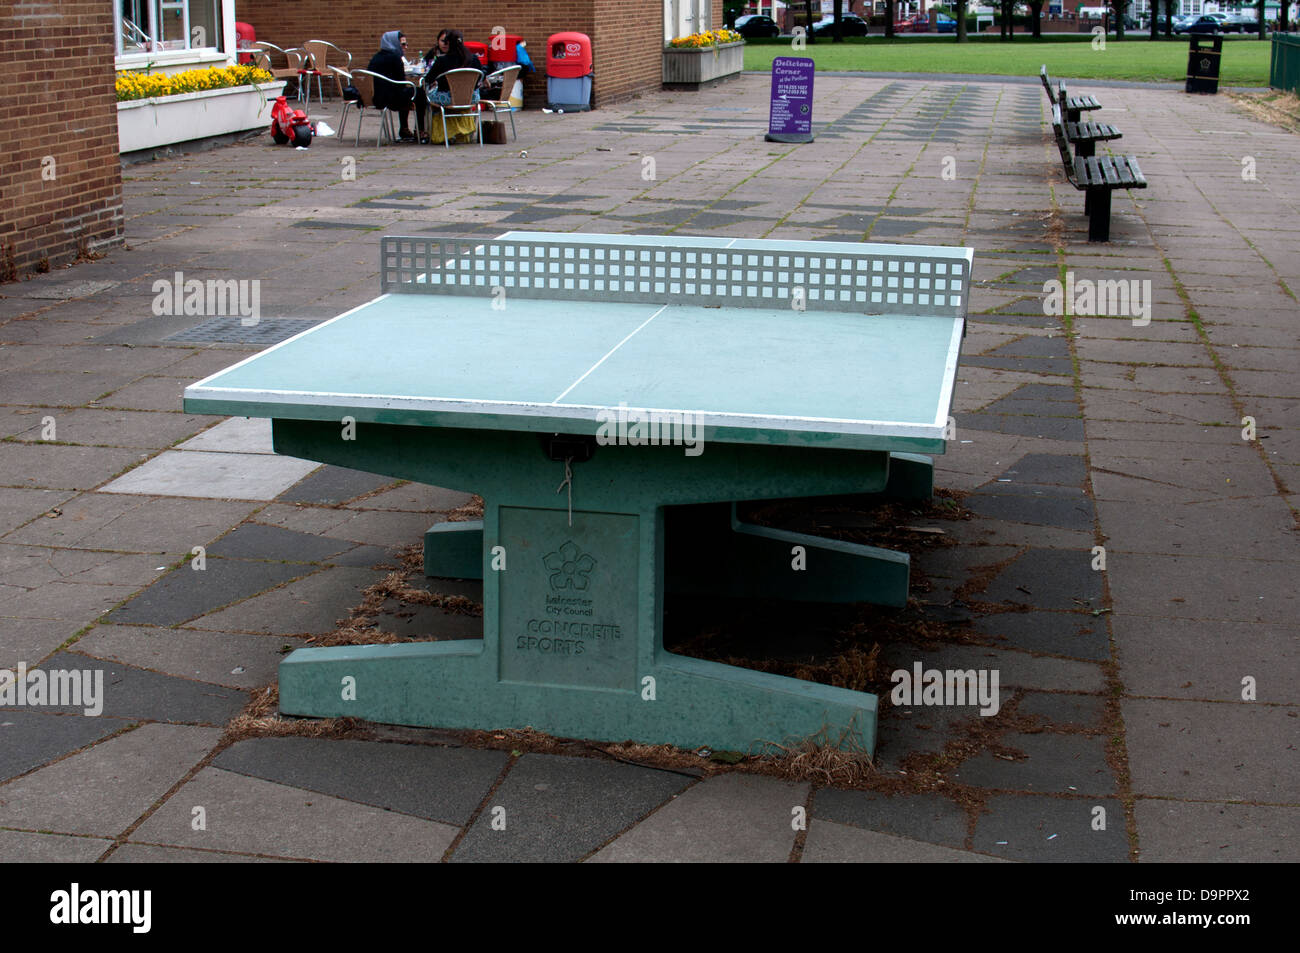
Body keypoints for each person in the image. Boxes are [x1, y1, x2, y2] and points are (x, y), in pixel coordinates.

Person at [367, 30, 424, 142]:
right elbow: (401, 81)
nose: (405, 47)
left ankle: (404, 128)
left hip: (376, 96)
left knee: (408, 91)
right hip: (389, 99)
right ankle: (420, 130)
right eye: (403, 44)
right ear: (394, 43)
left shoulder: (376, 57)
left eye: (406, 44)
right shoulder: (395, 58)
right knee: (420, 93)